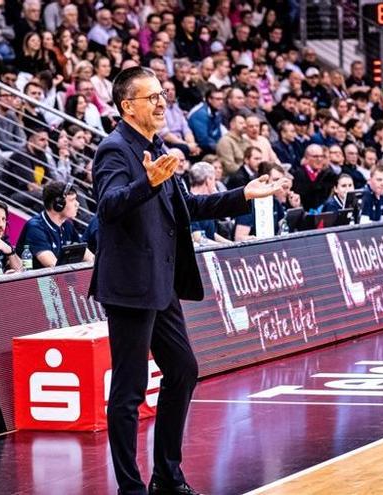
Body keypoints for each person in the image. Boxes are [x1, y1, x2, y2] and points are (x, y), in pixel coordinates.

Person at [89, 66, 286, 495]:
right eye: (151, 97)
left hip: (160, 283)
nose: (161, 103)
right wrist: (147, 181)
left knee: (183, 369)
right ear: (127, 106)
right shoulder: (114, 149)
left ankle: (167, 474)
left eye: (162, 94)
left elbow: (187, 207)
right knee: (128, 390)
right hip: (129, 288)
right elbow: (107, 206)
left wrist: (243, 196)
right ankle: (130, 487)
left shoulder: (157, 146)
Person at [16, 180, 95, 269]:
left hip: (56, 280)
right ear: (58, 205)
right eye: (72, 200)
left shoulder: (67, 226)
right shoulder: (35, 228)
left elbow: (90, 257)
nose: (77, 204)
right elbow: (55, 267)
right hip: (41, 281)